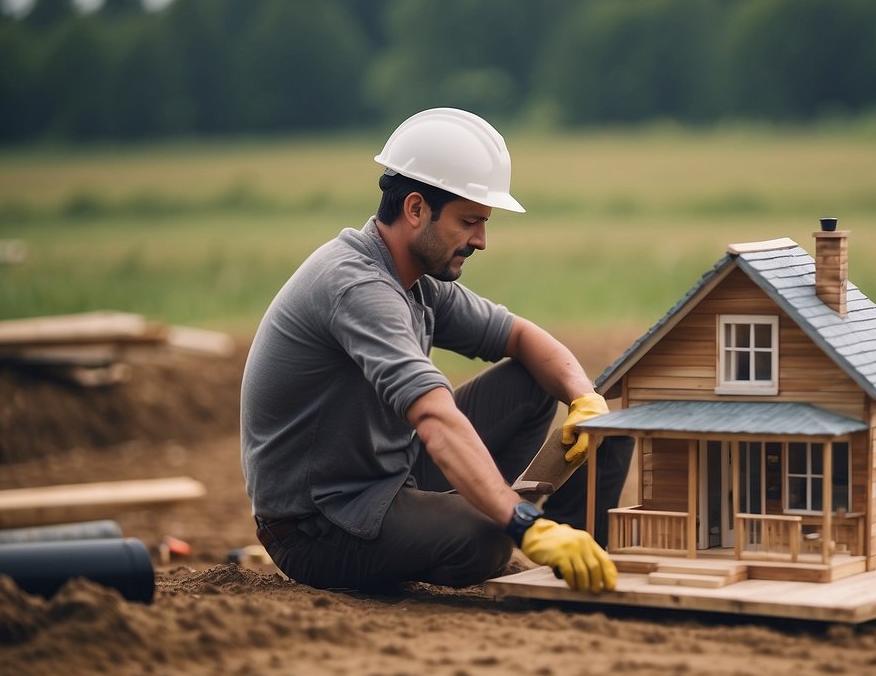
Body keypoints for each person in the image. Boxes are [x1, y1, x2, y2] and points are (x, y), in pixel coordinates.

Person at [241, 107, 630, 592]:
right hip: (318, 524)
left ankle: (576, 559)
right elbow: (434, 417)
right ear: (416, 209)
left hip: (389, 476)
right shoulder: (358, 287)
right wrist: (524, 524)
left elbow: (523, 337)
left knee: (598, 422)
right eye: (469, 221)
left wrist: (582, 398)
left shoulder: (417, 281)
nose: (481, 240)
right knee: (486, 538)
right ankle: (515, 527)